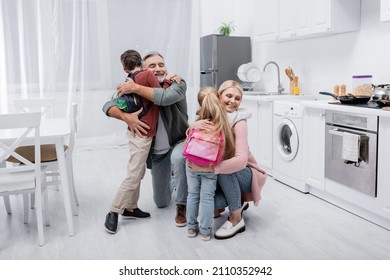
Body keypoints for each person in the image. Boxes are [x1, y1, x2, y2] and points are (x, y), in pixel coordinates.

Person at [102, 51, 189, 228]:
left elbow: (164, 98)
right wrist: (127, 118)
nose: (158, 69)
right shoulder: (136, 83)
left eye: (161, 64)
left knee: (178, 159)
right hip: (157, 153)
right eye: (152, 66)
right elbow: (108, 105)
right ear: (143, 69)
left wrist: (134, 88)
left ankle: (182, 205)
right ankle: (136, 204)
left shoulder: (176, 83)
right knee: (162, 202)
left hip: (178, 142)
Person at [193, 80, 267, 239]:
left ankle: (236, 218)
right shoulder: (209, 115)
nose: (233, 101)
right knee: (208, 200)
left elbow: (240, 160)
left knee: (226, 171)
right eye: (229, 96)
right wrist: (192, 127)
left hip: (244, 172)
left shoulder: (239, 120)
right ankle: (236, 202)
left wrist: (212, 169)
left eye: (238, 98)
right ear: (219, 96)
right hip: (220, 172)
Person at [183, 87, 235, 241]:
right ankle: (205, 232)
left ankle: (191, 228)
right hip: (209, 168)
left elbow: (187, 143)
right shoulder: (222, 125)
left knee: (192, 195)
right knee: (207, 199)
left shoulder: (197, 123)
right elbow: (226, 149)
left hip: (192, 166)